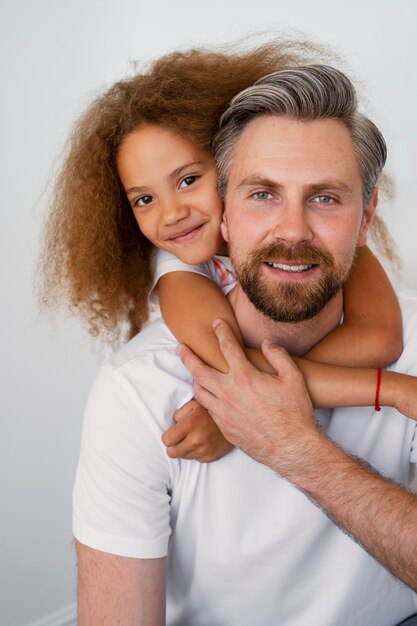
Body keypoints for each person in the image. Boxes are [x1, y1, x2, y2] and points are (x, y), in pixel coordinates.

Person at [71, 63, 417, 625]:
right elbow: (230, 362)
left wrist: (254, 417)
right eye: (262, 193)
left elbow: (380, 336)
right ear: (230, 204)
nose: (293, 229)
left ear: (365, 212)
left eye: (326, 199)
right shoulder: (143, 380)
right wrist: (238, 405)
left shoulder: (390, 304)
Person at [42, 40, 405, 464]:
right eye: (144, 199)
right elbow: (236, 375)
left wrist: (229, 414)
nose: (173, 214)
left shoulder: (312, 241)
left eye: (187, 180)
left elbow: (379, 336)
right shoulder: (179, 267)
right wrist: (392, 390)